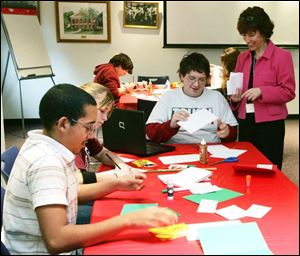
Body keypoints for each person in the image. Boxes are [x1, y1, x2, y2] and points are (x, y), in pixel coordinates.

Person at [2, 84, 178, 255]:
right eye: (88, 127)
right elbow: (57, 240)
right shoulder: (47, 164)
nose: (91, 135)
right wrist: (130, 220)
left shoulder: (47, 145)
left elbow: (71, 192)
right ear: (63, 124)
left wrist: (117, 183)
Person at [230, 6, 296, 170]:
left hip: (270, 123)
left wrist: (262, 91)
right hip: (246, 121)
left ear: (264, 32)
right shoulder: (242, 58)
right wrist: (234, 99)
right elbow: (235, 89)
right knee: (246, 166)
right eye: (244, 35)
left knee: (269, 168)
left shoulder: (282, 57)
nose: (247, 40)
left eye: (252, 34)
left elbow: (288, 91)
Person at [146, 52, 238, 144]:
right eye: (191, 78)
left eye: (202, 79)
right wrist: (170, 126)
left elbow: (233, 134)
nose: (196, 84)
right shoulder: (169, 97)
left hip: (211, 148)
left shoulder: (217, 97)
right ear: (182, 76)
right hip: (177, 149)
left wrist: (227, 132)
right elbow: (150, 134)